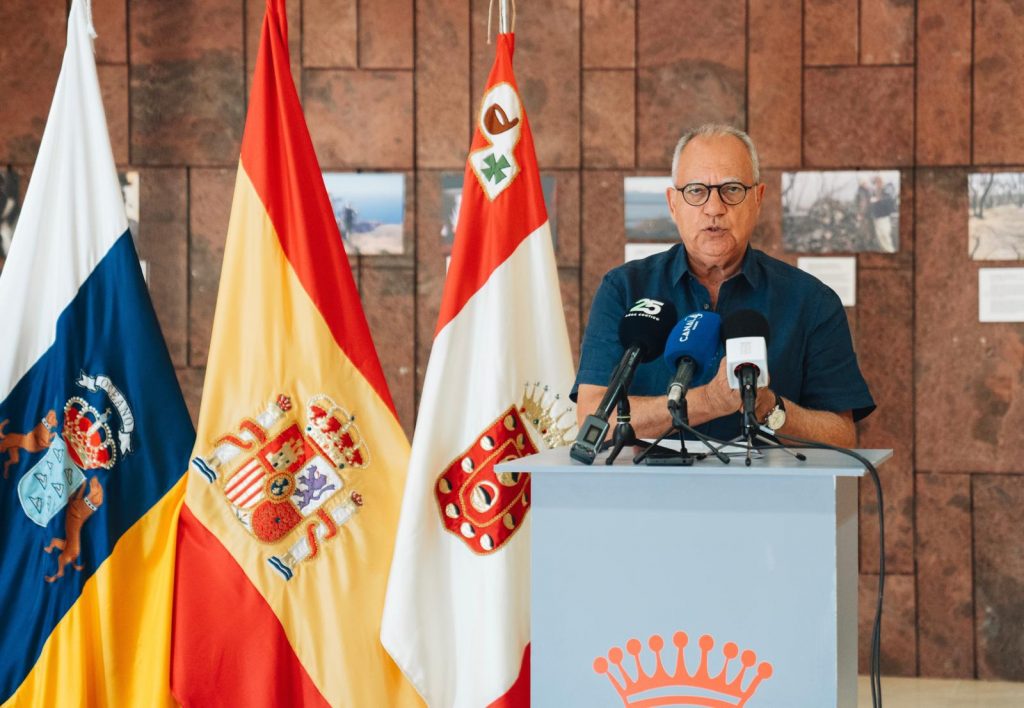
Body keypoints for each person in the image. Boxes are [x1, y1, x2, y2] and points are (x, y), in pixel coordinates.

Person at [573, 124, 874, 448]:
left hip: (771, 496)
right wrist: (707, 402)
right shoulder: (625, 289)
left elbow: (843, 438)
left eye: (732, 189)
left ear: (757, 199)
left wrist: (770, 408)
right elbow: (591, 416)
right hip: (649, 494)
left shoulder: (811, 301)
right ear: (673, 203)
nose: (714, 208)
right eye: (696, 191)